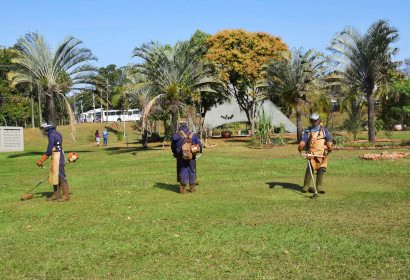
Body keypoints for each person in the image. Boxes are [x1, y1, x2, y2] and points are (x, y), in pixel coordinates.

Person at [298, 114, 333, 194]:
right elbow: (304, 140)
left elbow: (328, 139)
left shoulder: (324, 130)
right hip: (312, 153)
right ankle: (306, 186)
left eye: (315, 121)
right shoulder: (308, 130)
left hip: (321, 154)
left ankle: (319, 186)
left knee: (320, 169)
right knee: (310, 168)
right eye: (312, 121)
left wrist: (329, 145)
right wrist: (301, 145)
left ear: (318, 120)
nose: (314, 123)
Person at [36, 123, 70, 202]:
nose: (43, 131)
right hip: (56, 155)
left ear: (47, 129)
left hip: (58, 156)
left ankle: (66, 196)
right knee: (55, 175)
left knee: (61, 175)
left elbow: (49, 150)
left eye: (43, 129)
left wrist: (41, 160)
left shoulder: (52, 135)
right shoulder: (55, 132)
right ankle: (56, 195)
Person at [171, 120, 202, 194]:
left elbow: (173, 146)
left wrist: (175, 153)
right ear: (187, 126)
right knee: (191, 170)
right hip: (192, 156)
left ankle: (183, 190)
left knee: (183, 170)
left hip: (181, 156)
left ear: (180, 126)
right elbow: (199, 144)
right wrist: (200, 151)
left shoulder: (176, 135)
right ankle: (192, 188)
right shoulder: (193, 135)